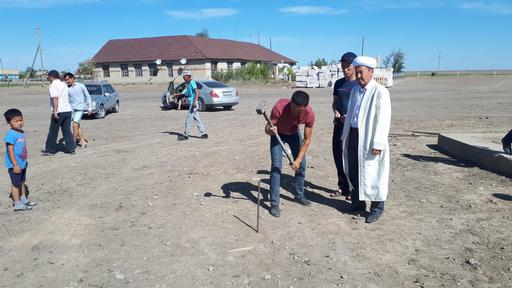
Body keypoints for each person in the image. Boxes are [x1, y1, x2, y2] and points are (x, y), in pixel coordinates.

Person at [341, 56, 391, 224]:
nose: (359, 76)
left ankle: (377, 208)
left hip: (370, 138)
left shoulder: (380, 92)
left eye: (361, 72)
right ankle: (358, 203)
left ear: (371, 72)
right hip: (354, 135)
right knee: (354, 170)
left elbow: (383, 120)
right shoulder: (355, 90)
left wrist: (378, 143)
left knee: (374, 172)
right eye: (357, 72)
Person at [265, 91, 315, 217]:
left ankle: (299, 195)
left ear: (305, 107)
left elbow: (307, 140)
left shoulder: (309, 114)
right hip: (278, 135)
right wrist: (271, 130)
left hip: (294, 134)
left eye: (299, 110)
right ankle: (274, 203)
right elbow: (267, 129)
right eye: (293, 108)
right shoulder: (280, 107)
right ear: (290, 103)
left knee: (302, 165)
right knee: (276, 167)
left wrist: (298, 160)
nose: (295, 112)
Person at [331, 52, 358, 199]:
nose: (345, 69)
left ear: (354, 66)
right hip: (338, 126)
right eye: (343, 66)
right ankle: (343, 187)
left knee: (350, 158)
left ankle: (353, 189)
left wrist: (350, 117)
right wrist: (336, 112)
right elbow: (335, 103)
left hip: (353, 128)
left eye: (348, 66)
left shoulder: (358, 84)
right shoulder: (339, 84)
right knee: (338, 156)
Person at [4, 109, 37, 211]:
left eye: (21, 120)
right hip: (14, 165)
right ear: (9, 122)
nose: (19, 123)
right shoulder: (11, 134)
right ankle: (17, 204)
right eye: (16, 121)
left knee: (22, 182)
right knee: (15, 184)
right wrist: (15, 164)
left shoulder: (21, 132)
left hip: (22, 163)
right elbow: (10, 151)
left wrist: (23, 162)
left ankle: (23, 198)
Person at [42, 70, 75, 155]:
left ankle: (50, 150)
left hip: (59, 111)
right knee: (67, 131)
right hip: (68, 110)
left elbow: (55, 98)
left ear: (51, 76)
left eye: (48, 76)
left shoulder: (53, 85)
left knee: (53, 131)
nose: (47, 78)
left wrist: (55, 111)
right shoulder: (63, 84)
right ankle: (71, 149)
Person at [176, 70, 208, 140]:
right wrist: (179, 95)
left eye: (185, 76)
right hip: (193, 103)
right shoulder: (189, 84)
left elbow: (197, 92)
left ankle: (185, 135)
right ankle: (204, 134)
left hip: (193, 104)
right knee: (197, 119)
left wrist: (194, 102)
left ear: (188, 76)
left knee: (188, 120)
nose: (183, 78)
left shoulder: (192, 82)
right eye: (183, 77)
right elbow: (186, 93)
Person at [63, 72, 92, 147]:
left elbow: (88, 96)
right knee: (77, 126)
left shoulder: (81, 86)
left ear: (73, 78)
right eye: (66, 80)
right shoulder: (66, 88)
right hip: (71, 109)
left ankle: (73, 142)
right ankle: (83, 141)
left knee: (74, 125)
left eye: (68, 79)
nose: (67, 81)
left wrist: (90, 107)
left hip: (80, 108)